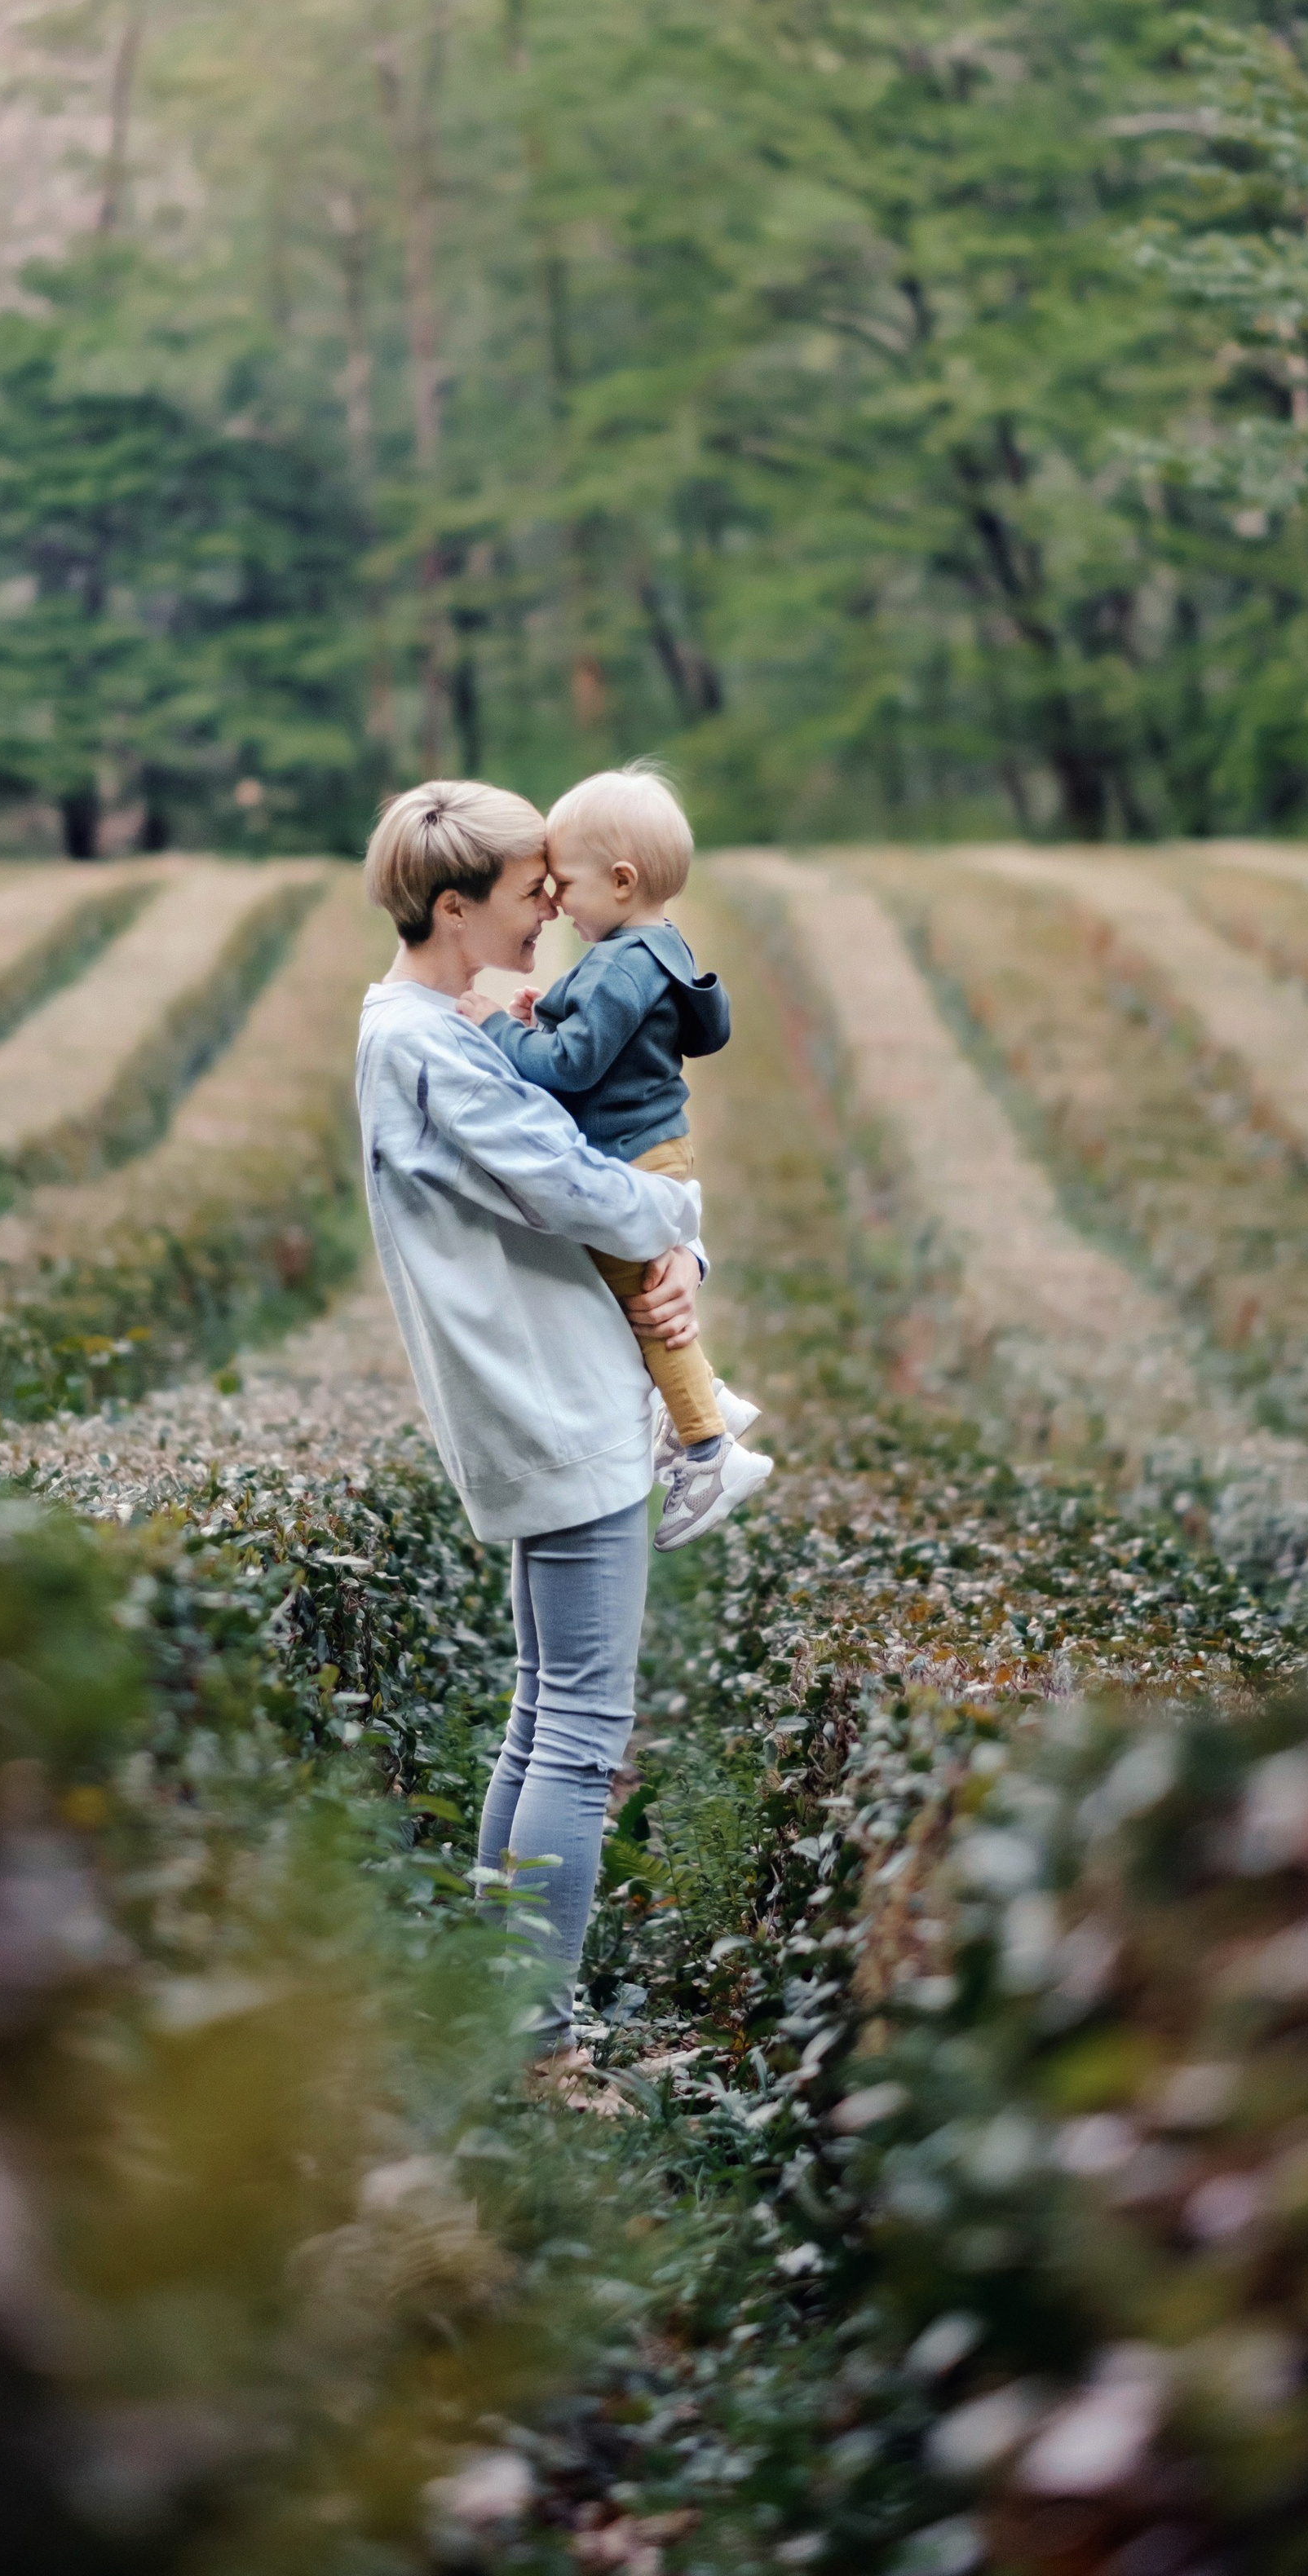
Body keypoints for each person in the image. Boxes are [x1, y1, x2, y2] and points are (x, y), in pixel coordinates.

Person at [355, 777, 707, 2073]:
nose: (551, 910)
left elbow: (583, 1192)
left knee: (539, 1715)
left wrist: (675, 1253)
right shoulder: (432, 1046)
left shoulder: (414, 1028)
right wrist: (680, 1223)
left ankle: (509, 2019)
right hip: (552, 1409)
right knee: (580, 1732)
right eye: (528, 892)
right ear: (456, 907)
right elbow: (577, 1183)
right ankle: (540, 2052)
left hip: (543, 1400)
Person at [457, 760, 772, 1551]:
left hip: (629, 1155)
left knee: (637, 1303)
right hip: (655, 1148)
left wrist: (500, 1029)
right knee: (639, 1298)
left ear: (622, 881)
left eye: (563, 883)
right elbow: (636, 1034)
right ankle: (710, 1399)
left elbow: (571, 1068)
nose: (554, 901)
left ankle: (707, 1448)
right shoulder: (659, 949)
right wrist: (546, 1013)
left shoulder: (617, 964)